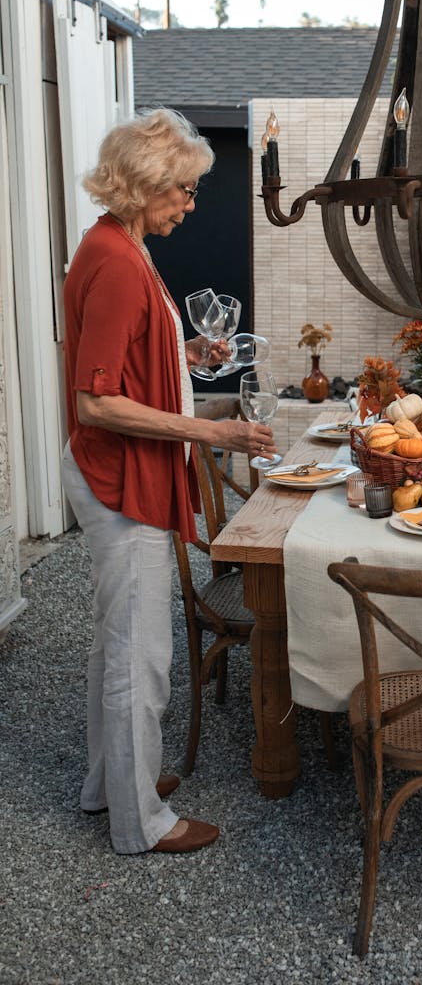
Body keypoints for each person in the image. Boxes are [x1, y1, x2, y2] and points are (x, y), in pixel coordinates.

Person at [60, 108, 276, 855]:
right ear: (145, 184)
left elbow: (120, 362)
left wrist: (178, 353)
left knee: (113, 645)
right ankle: (139, 824)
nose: (190, 203)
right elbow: (98, 400)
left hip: (116, 474)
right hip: (123, 482)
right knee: (139, 655)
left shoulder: (114, 243)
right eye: (182, 189)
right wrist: (215, 432)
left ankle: (108, 786)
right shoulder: (120, 262)